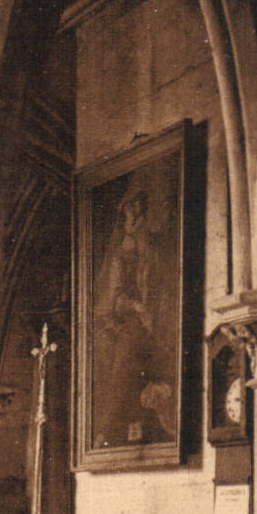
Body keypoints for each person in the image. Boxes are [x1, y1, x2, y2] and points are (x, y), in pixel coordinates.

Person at [98, 188, 174, 447]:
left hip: (158, 321)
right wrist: (139, 309)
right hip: (135, 322)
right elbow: (115, 301)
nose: (134, 218)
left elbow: (163, 283)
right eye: (129, 213)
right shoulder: (123, 254)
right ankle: (106, 430)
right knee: (124, 363)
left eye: (137, 211)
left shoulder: (153, 247)